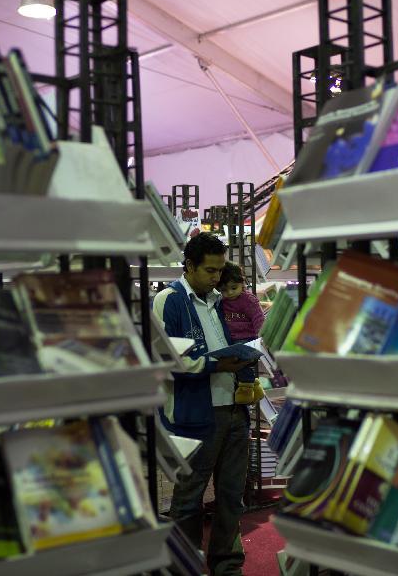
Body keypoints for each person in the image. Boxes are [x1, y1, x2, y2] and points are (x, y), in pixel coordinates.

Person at [152, 232, 253, 575]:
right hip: (194, 416)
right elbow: (166, 360)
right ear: (190, 265)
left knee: (231, 495)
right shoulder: (169, 300)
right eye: (210, 271)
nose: (216, 278)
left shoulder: (219, 299)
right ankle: (185, 566)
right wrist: (215, 364)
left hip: (233, 410)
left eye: (220, 270)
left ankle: (227, 564)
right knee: (187, 501)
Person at [217, 261, 266, 405]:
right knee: (233, 362)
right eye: (224, 290)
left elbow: (258, 318)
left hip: (247, 339)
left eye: (234, 287)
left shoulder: (248, 300)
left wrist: (261, 336)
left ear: (242, 283)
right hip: (231, 339)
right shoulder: (221, 301)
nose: (230, 293)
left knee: (239, 361)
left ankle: (246, 386)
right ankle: (254, 385)